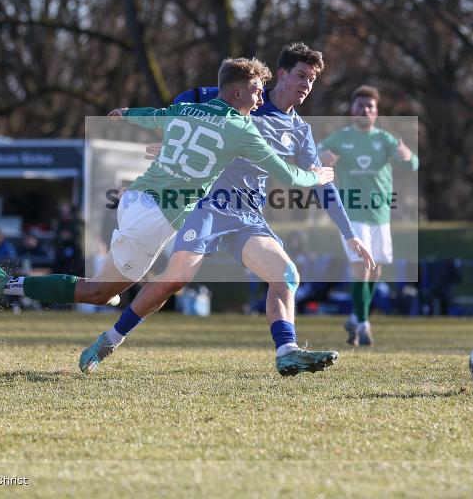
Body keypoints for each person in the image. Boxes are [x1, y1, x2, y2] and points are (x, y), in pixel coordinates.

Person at [0, 57, 335, 360]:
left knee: (109, 291)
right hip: (157, 216)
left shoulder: (188, 109)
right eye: (256, 91)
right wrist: (317, 175)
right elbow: (287, 174)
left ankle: (18, 287)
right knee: (99, 293)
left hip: (135, 199)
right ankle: (6, 283)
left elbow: (151, 115)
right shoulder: (243, 129)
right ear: (237, 91)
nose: (260, 98)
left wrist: (124, 112)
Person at [80, 42, 374, 377]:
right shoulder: (249, 99)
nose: (306, 84)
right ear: (281, 74)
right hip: (208, 204)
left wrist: (350, 235)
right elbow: (188, 100)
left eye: (312, 79)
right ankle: (109, 340)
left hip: (247, 214)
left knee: (286, 276)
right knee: (172, 282)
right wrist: (181, 142)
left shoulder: (300, 131)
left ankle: (287, 351)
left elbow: (321, 184)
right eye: (301, 75)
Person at [319, 85, 419, 345]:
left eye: (369, 106)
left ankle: (355, 318)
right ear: (352, 110)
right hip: (352, 215)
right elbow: (314, 152)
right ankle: (363, 324)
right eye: (360, 105)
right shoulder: (340, 138)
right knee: (361, 267)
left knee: (376, 270)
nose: (364, 110)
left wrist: (409, 157)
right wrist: (321, 155)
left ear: (376, 112)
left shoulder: (385, 139)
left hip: (381, 215)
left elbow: (412, 163)